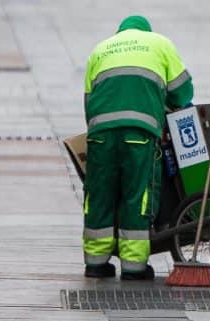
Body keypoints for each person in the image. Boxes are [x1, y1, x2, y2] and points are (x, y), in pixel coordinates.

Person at [82, 15, 194, 281]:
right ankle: (133, 267)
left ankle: (96, 263)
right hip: (139, 134)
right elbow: (182, 92)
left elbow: (88, 100)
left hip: (100, 135)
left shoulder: (100, 49)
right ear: (146, 32)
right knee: (136, 194)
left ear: (120, 32)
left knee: (99, 195)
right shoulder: (160, 44)